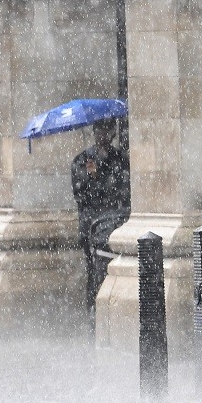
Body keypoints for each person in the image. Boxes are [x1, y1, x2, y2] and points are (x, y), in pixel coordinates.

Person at [71, 118, 130, 316]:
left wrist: (102, 181)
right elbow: (81, 195)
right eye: (99, 131)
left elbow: (122, 191)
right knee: (94, 271)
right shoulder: (82, 160)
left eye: (107, 131)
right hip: (92, 226)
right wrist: (92, 177)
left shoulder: (120, 158)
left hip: (114, 223)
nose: (103, 135)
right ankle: (93, 310)